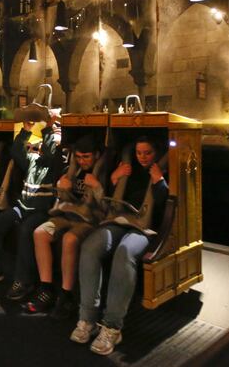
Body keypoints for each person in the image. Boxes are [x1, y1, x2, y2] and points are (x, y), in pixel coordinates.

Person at [71, 136, 169, 355]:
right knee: (90, 247)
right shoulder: (127, 168)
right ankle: (87, 318)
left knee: (124, 252)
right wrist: (114, 179)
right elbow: (105, 197)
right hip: (119, 220)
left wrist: (159, 182)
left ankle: (112, 326)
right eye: (139, 153)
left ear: (156, 153)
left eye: (148, 153)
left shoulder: (160, 170)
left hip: (145, 228)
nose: (142, 157)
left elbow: (165, 204)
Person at [0, 114, 62, 301]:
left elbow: (49, 154)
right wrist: (25, 130)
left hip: (41, 212)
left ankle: (24, 281)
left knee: (25, 231)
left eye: (37, 147)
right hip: (23, 208)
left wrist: (48, 127)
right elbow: (16, 150)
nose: (34, 150)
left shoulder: (50, 164)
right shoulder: (30, 162)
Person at [25, 134, 105, 319]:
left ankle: (66, 294)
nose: (82, 161)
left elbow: (109, 208)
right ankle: (46, 288)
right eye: (78, 157)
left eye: (86, 157)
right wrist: (62, 188)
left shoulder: (104, 172)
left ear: (96, 155)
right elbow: (63, 200)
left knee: (69, 239)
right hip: (68, 214)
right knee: (40, 233)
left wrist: (98, 187)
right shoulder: (73, 170)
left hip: (90, 220)